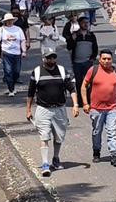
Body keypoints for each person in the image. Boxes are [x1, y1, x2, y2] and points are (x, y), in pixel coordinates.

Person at [26, 47, 80, 177]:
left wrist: (75, 105)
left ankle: (55, 159)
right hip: (43, 109)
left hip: (59, 109)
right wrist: (28, 109)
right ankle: (45, 163)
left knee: (59, 137)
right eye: (49, 58)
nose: (51, 60)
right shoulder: (37, 72)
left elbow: (72, 88)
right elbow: (31, 92)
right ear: (43, 59)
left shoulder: (61, 71)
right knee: (44, 136)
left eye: (53, 57)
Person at [81, 50, 116, 167]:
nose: (106, 61)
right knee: (97, 131)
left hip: (111, 108)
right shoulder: (93, 70)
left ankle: (114, 154)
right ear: (99, 59)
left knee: (112, 131)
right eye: (104, 59)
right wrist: (85, 103)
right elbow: (83, 86)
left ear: (112, 60)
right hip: (96, 109)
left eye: (109, 59)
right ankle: (96, 152)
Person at [66, 16, 98, 106]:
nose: (86, 24)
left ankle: (88, 100)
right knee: (79, 82)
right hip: (77, 63)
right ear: (79, 24)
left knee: (89, 82)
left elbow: (95, 48)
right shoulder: (75, 35)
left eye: (87, 22)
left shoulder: (91, 35)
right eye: (84, 22)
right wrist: (72, 39)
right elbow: (69, 47)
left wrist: (92, 58)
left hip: (88, 62)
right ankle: (80, 101)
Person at [0, 13, 28, 96]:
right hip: (6, 53)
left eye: (11, 20)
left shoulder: (18, 29)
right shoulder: (1, 30)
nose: (9, 22)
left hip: (17, 53)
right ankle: (11, 89)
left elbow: (23, 40)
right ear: (5, 22)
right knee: (8, 71)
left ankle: (12, 85)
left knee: (16, 71)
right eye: (7, 21)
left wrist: (24, 51)